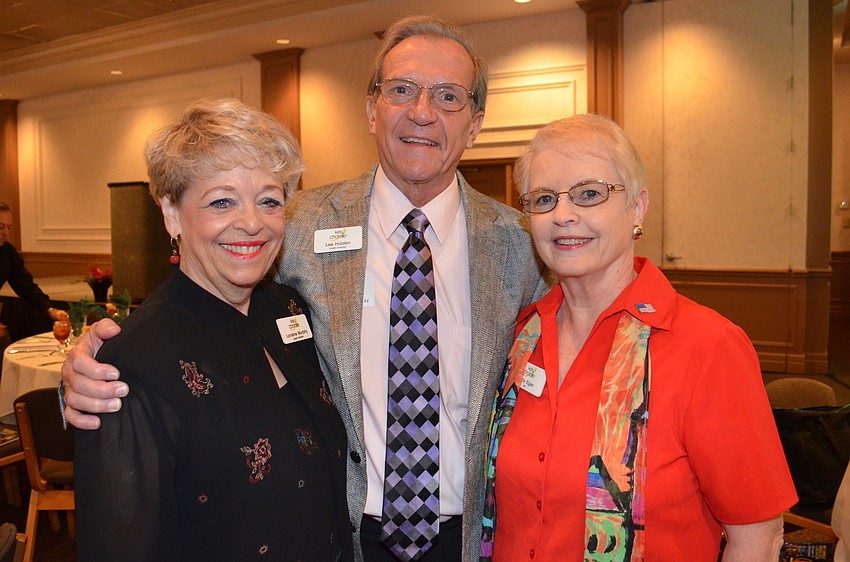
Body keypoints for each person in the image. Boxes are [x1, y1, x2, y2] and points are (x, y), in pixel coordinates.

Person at [60, 15, 544, 562]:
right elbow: (191, 318)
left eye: (448, 96)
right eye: (402, 89)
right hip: (347, 531)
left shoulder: (523, 246)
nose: (422, 112)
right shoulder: (298, 225)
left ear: (475, 123)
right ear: (371, 109)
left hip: (469, 539)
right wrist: (87, 375)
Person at [479, 114, 798, 561]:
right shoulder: (521, 338)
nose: (564, 215)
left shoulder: (707, 347)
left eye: (589, 194)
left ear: (638, 207)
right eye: (544, 199)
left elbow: (757, 538)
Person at [73, 98, 353, 561]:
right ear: (171, 213)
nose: (251, 223)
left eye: (269, 200)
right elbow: (120, 544)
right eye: (222, 200)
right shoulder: (134, 362)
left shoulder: (287, 309)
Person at [0, 201, 66, 340]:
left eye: (9, 228)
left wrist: (50, 310)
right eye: (1, 227)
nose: (6, 233)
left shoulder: (8, 252)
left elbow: (26, 286)